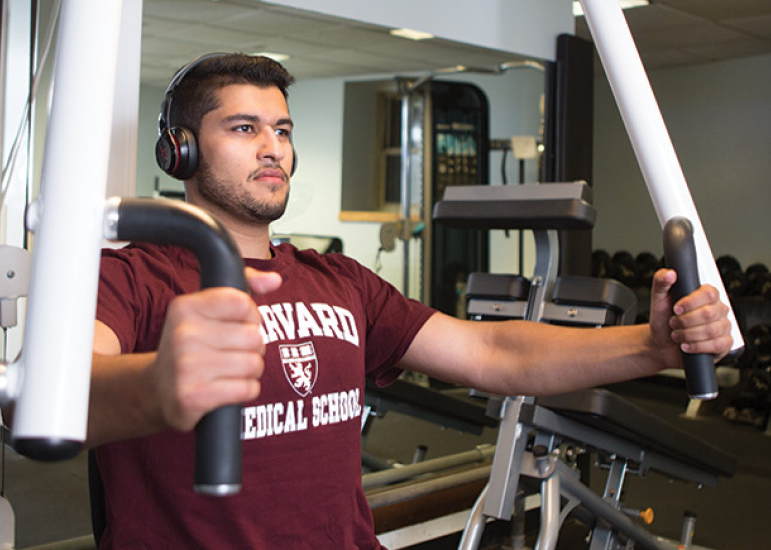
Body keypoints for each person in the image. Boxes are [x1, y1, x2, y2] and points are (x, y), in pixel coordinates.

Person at [89, 53, 732, 549]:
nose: (272, 148)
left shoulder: (338, 279)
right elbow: (64, 394)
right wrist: (159, 383)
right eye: (243, 127)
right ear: (181, 149)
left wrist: (651, 348)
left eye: (282, 129)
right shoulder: (135, 277)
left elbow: (490, 350)